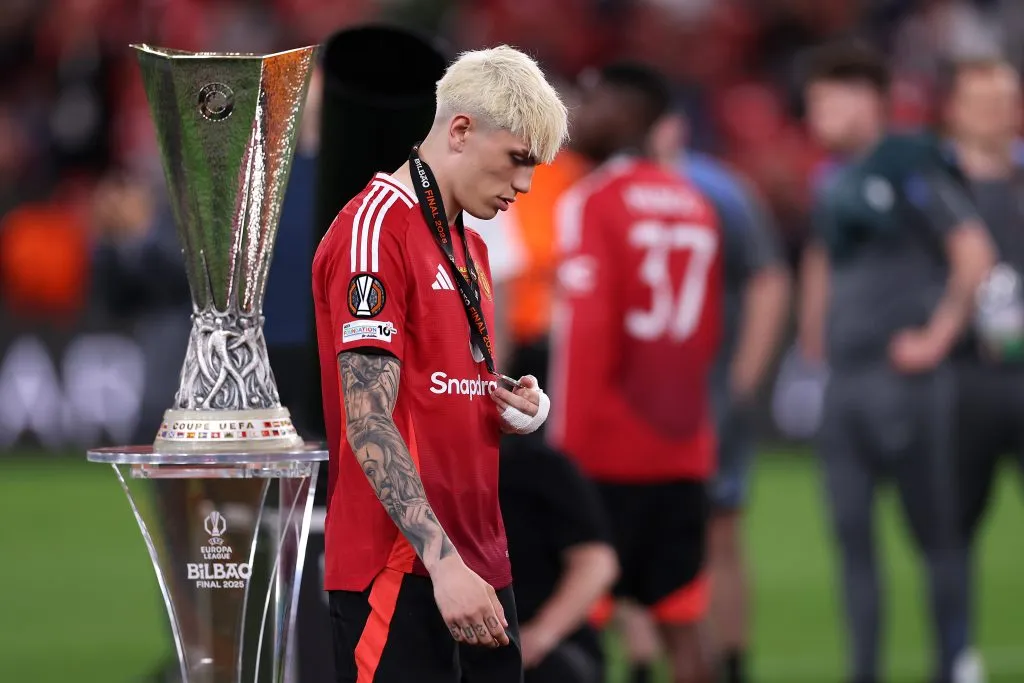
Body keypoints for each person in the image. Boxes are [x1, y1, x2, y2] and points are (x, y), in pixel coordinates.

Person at [312, 45, 568, 683]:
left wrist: (510, 403)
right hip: (403, 568)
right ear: (460, 130)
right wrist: (442, 563)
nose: (526, 185)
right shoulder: (373, 231)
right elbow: (368, 421)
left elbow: (439, 386)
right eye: (517, 160)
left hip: (480, 562)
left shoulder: (469, 241)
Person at [797, 41, 995, 683]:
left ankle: (954, 663)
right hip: (847, 384)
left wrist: (937, 336)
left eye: (829, 99)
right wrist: (811, 349)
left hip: (906, 384)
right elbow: (824, 263)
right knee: (852, 539)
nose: (817, 114)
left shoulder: (911, 161)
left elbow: (973, 251)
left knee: (937, 536)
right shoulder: (834, 179)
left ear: (868, 98)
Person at [547, 61, 725, 683]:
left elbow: (586, 338)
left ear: (627, 114)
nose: (577, 115)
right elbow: (705, 334)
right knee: (682, 619)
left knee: (577, 618)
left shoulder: (593, 200)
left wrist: (562, 454)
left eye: (591, 101)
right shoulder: (694, 201)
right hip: (682, 445)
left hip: (603, 450)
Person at [648, 112, 791, 683]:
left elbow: (768, 278)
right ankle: (651, 661)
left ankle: (731, 663)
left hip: (707, 389)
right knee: (635, 529)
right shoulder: (607, 188)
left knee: (720, 529)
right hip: (643, 397)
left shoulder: (716, 189)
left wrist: (744, 378)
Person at [941, 55, 1024, 682]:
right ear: (956, 108)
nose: (998, 111)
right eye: (984, 98)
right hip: (961, 380)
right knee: (951, 528)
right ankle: (958, 656)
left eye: (1006, 98)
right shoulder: (934, 185)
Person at [498, 436, 619, 683]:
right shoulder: (419, 468)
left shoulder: (542, 467)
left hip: (544, 645)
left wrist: (542, 634)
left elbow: (597, 562)